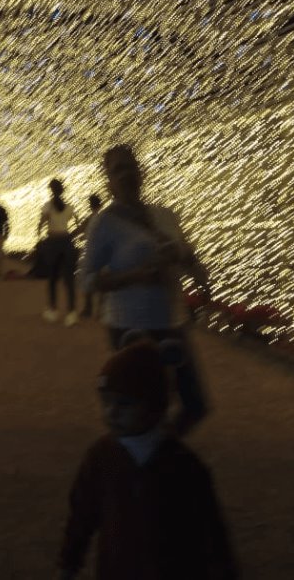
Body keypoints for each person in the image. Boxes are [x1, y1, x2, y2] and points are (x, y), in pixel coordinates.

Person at [57, 341, 237, 580]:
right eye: (106, 402)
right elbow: (82, 515)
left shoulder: (183, 466)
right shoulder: (100, 457)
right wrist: (69, 563)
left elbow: (211, 532)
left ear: (153, 407)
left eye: (124, 404)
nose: (111, 412)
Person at [81, 145, 212, 437]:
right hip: (129, 325)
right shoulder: (103, 223)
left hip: (170, 321)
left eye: (131, 167)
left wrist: (183, 257)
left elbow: (191, 260)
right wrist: (134, 276)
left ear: (142, 173)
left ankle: (155, 454)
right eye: (118, 169)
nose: (126, 174)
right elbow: (87, 280)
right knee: (139, 407)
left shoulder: (165, 216)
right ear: (108, 181)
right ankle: (141, 466)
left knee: (195, 404)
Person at [38, 178, 79, 326]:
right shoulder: (69, 206)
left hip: (53, 243)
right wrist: (71, 235)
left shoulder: (47, 206)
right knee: (69, 279)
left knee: (53, 278)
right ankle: (72, 312)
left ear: (51, 190)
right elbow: (78, 223)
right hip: (67, 242)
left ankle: (53, 310)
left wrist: (39, 235)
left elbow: (41, 224)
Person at [74, 194, 104, 318]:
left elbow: (80, 230)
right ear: (100, 204)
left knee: (87, 279)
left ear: (90, 205)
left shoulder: (91, 218)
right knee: (100, 279)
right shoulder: (102, 217)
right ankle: (99, 310)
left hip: (90, 251)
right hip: (101, 251)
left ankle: (88, 308)